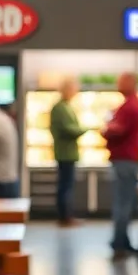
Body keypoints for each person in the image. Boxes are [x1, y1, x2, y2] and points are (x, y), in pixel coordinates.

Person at [101, 71, 138, 257]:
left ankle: (119, 243)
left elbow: (116, 130)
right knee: (125, 201)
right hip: (128, 160)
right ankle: (123, 241)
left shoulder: (129, 107)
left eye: (120, 81)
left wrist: (105, 129)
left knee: (122, 203)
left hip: (124, 161)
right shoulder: (132, 105)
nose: (117, 84)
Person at [50, 78, 87, 227]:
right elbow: (68, 129)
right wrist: (84, 129)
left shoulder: (66, 106)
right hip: (65, 153)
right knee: (65, 186)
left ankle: (67, 215)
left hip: (68, 153)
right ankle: (65, 216)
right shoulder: (60, 108)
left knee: (67, 185)